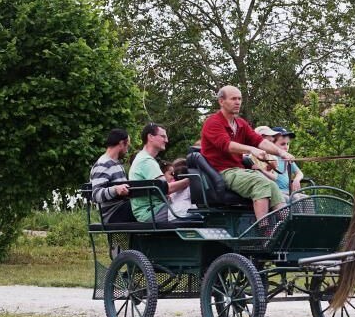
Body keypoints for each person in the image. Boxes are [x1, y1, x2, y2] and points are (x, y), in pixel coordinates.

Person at [200, 86, 294, 225]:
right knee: (261, 183)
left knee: (272, 186)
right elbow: (227, 145)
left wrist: (281, 153)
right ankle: (265, 229)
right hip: (222, 172)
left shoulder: (241, 124)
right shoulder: (213, 122)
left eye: (239, 99)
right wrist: (252, 150)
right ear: (221, 101)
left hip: (239, 171)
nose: (238, 102)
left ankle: (287, 226)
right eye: (233, 99)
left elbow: (259, 141)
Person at [129, 123, 190, 223]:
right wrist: (189, 181)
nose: (166, 140)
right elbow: (166, 189)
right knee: (196, 210)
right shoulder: (146, 161)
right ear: (150, 137)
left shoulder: (143, 158)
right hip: (151, 212)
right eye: (163, 136)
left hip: (154, 209)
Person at [89, 128, 131, 223]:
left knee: (144, 205)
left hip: (121, 208)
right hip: (112, 214)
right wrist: (115, 189)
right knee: (142, 207)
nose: (127, 151)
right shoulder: (102, 164)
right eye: (127, 146)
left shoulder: (117, 164)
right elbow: (96, 195)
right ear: (121, 144)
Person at [268, 126, 304, 200]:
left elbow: (299, 173)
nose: (286, 147)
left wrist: (296, 179)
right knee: (295, 199)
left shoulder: (287, 158)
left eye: (287, 144)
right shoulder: (268, 157)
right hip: (276, 192)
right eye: (283, 144)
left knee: (307, 199)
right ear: (271, 144)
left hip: (288, 191)